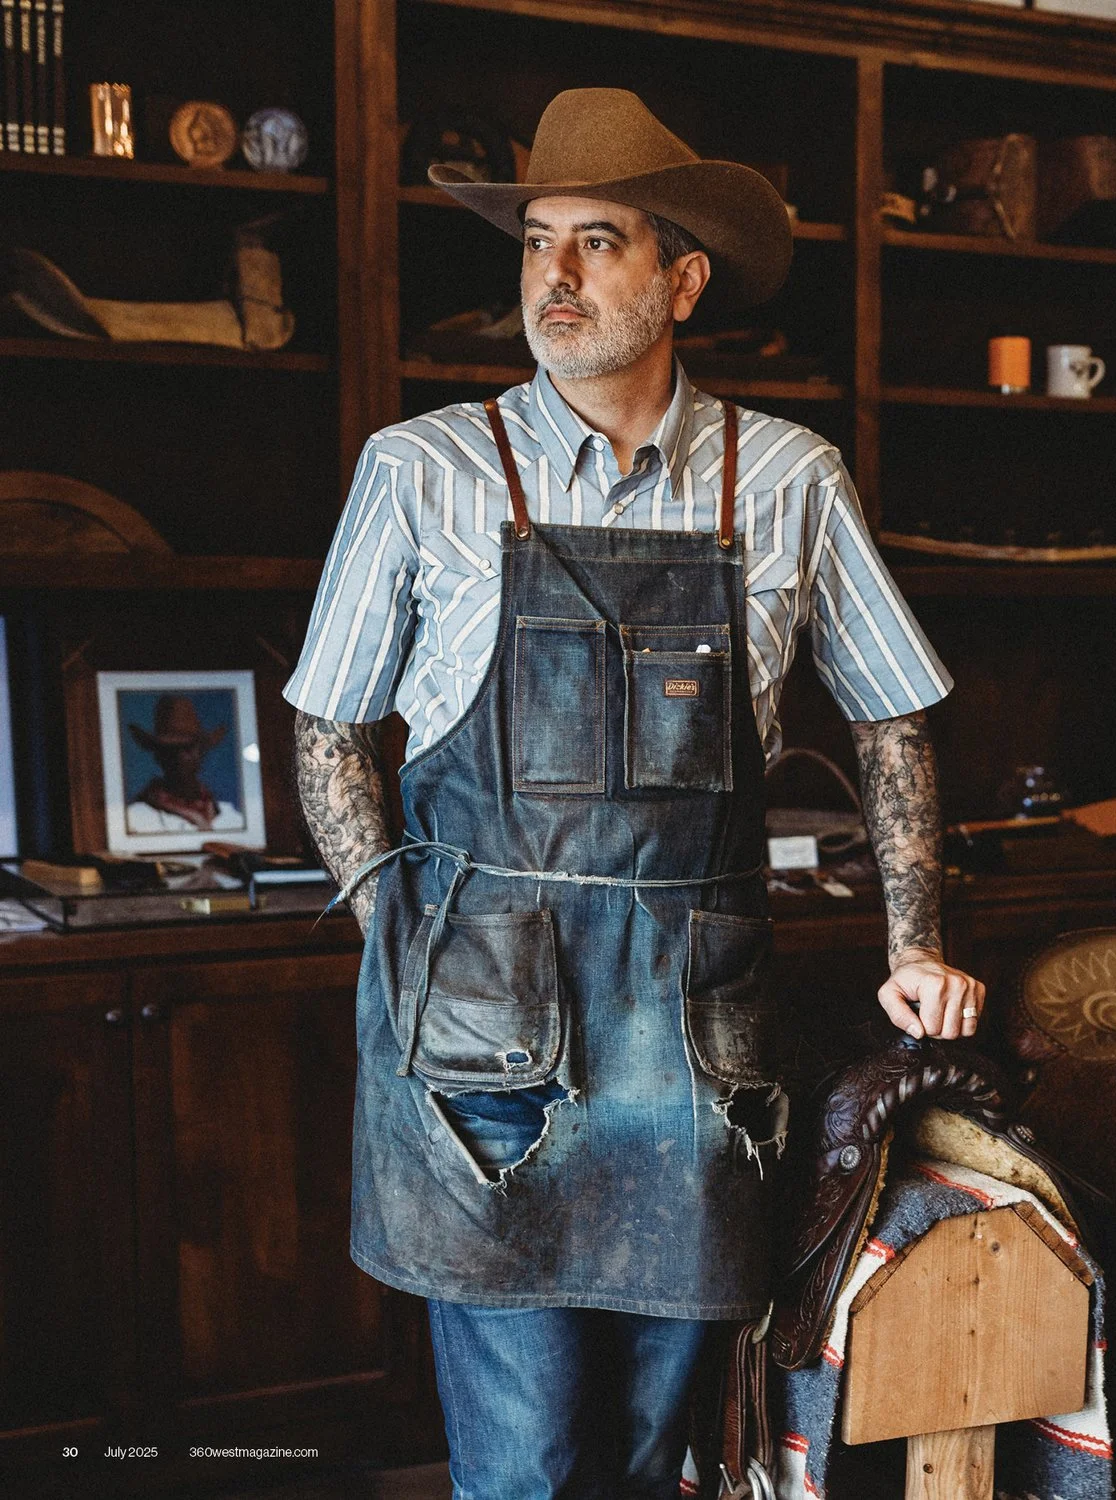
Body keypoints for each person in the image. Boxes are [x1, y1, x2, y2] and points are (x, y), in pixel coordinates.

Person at [282, 88, 982, 1500]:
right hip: (484, 1026)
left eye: (597, 242)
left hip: (696, 1028)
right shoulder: (419, 472)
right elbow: (326, 729)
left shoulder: (787, 477)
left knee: (666, 1451)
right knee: (530, 1464)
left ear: (683, 278)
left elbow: (896, 716)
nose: (556, 277)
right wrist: (397, 935)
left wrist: (917, 948)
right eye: (538, 243)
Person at [123, 695, 247, 834]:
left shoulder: (231, 818)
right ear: (158, 756)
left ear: (201, 753)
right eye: (171, 750)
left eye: (188, 748)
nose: (181, 757)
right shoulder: (135, 820)